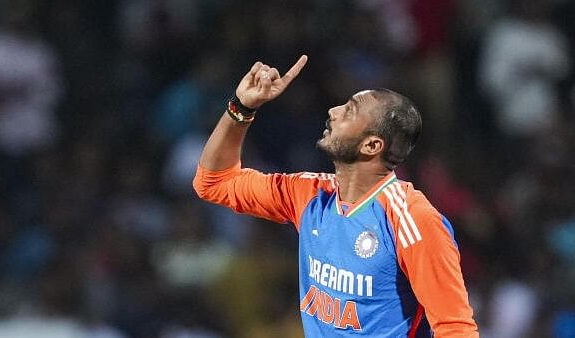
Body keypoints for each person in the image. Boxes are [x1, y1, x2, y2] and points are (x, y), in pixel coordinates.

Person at [193, 55, 478, 337]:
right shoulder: (309, 194)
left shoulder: (412, 220)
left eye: (350, 110)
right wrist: (242, 107)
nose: (333, 110)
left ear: (372, 145)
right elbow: (214, 182)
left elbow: (456, 329)